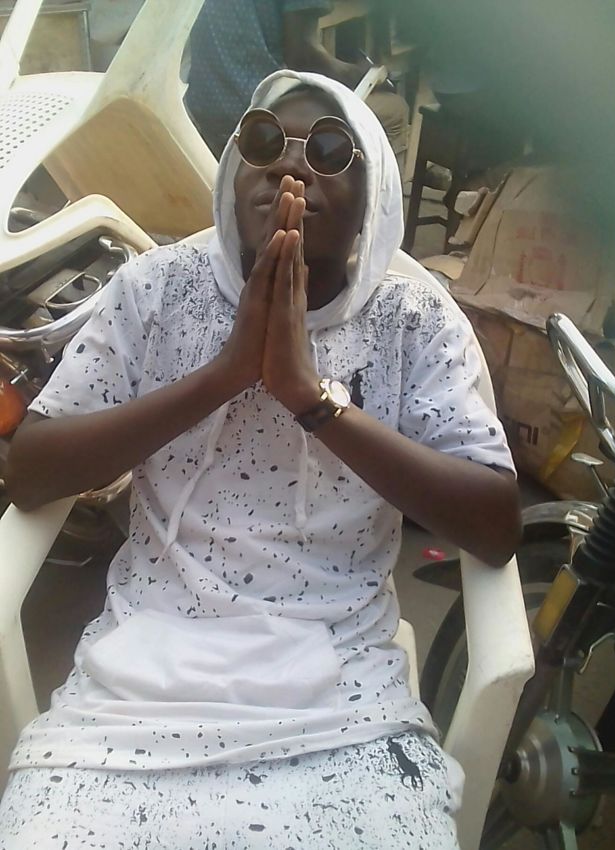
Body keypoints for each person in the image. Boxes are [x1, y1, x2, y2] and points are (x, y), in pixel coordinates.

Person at [0, 71, 519, 849]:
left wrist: (309, 397)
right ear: (232, 174)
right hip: (148, 670)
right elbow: (31, 470)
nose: (292, 165)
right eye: (266, 141)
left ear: (373, 205)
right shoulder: (156, 290)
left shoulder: (411, 319)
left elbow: (497, 525)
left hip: (339, 680)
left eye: (331, 150)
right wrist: (225, 375)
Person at [186, 0, 409, 165]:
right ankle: (365, 210)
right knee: (395, 111)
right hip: (258, 113)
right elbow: (304, 58)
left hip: (199, 107)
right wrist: (362, 74)